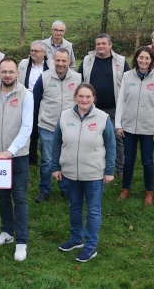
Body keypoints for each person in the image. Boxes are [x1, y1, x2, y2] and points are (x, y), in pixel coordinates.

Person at [52, 83, 116, 263]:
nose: (84, 100)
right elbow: (56, 143)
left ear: (93, 98)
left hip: (94, 174)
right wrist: (56, 167)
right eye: (81, 96)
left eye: (88, 97)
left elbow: (111, 146)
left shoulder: (103, 118)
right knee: (75, 207)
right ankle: (76, 238)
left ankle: (90, 245)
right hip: (70, 172)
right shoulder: (65, 116)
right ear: (75, 97)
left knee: (93, 210)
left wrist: (109, 171)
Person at [0, 57, 34, 262]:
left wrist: (11, 151)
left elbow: (27, 127)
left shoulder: (26, 95)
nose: (8, 75)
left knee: (18, 197)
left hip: (18, 155)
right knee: (2, 196)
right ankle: (6, 233)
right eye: (4, 71)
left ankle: (21, 241)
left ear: (17, 73)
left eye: (11, 71)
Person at [114, 47, 154, 205]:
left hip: (148, 128)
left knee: (147, 161)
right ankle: (125, 190)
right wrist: (118, 124)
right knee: (128, 160)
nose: (143, 61)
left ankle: (148, 192)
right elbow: (121, 101)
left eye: (147, 58)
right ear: (136, 59)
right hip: (128, 127)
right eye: (141, 58)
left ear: (151, 61)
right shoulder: (127, 76)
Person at [32, 48, 81, 202]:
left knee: (66, 160)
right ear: (53, 60)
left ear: (69, 62)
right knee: (47, 160)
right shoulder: (44, 78)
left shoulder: (78, 79)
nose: (60, 64)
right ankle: (44, 190)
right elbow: (36, 101)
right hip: (48, 125)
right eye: (57, 60)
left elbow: (84, 101)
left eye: (63, 61)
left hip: (70, 128)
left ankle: (65, 189)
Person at [79, 33, 129, 177]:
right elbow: (79, 80)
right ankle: (92, 167)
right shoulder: (87, 60)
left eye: (103, 43)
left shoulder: (120, 61)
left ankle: (120, 169)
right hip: (91, 108)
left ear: (110, 45)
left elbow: (128, 82)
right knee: (90, 138)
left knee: (117, 138)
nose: (100, 46)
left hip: (114, 108)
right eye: (98, 44)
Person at [18, 40, 53, 167]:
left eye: (36, 51)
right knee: (29, 129)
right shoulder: (23, 63)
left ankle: (48, 160)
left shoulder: (51, 65)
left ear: (44, 53)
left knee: (45, 129)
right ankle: (31, 159)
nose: (33, 53)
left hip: (46, 101)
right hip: (27, 100)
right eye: (31, 50)